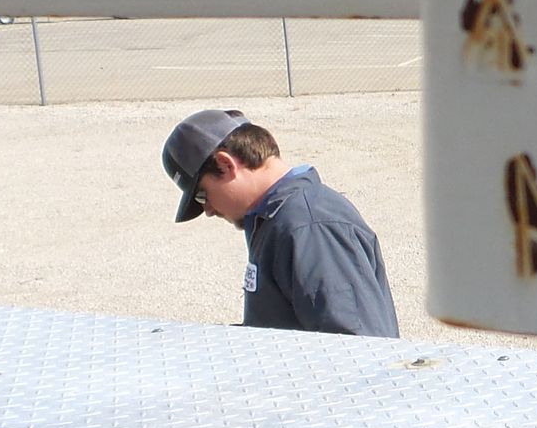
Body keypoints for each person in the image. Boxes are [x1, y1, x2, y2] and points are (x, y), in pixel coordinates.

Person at [162, 109, 401, 337]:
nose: (208, 210)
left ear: (226, 165)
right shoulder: (277, 218)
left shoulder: (310, 225)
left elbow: (357, 345)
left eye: (202, 196)